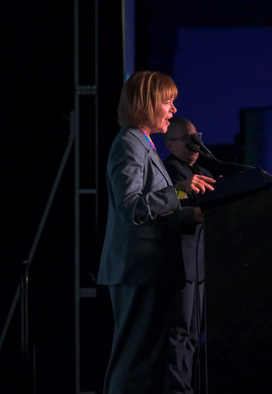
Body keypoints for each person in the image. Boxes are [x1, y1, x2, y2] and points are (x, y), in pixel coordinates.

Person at [97, 71, 216, 394]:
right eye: (168, 102)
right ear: (148, 104)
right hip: (137, 270)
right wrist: (179, 192)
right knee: (134, 362)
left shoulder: (141, 142)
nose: (173, 110)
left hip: (148, 271)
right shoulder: (129, 143)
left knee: (146, 362)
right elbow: (131, 207)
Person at [162, 117, 214, 393]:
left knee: (193, 335)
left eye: (198, 137)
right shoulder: (168, 173)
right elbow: (164, 215)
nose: (196, 145)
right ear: (170, 144)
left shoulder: (203, 172)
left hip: (199, 269)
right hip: (180, 268)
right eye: (188, 140)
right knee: (179, 335)